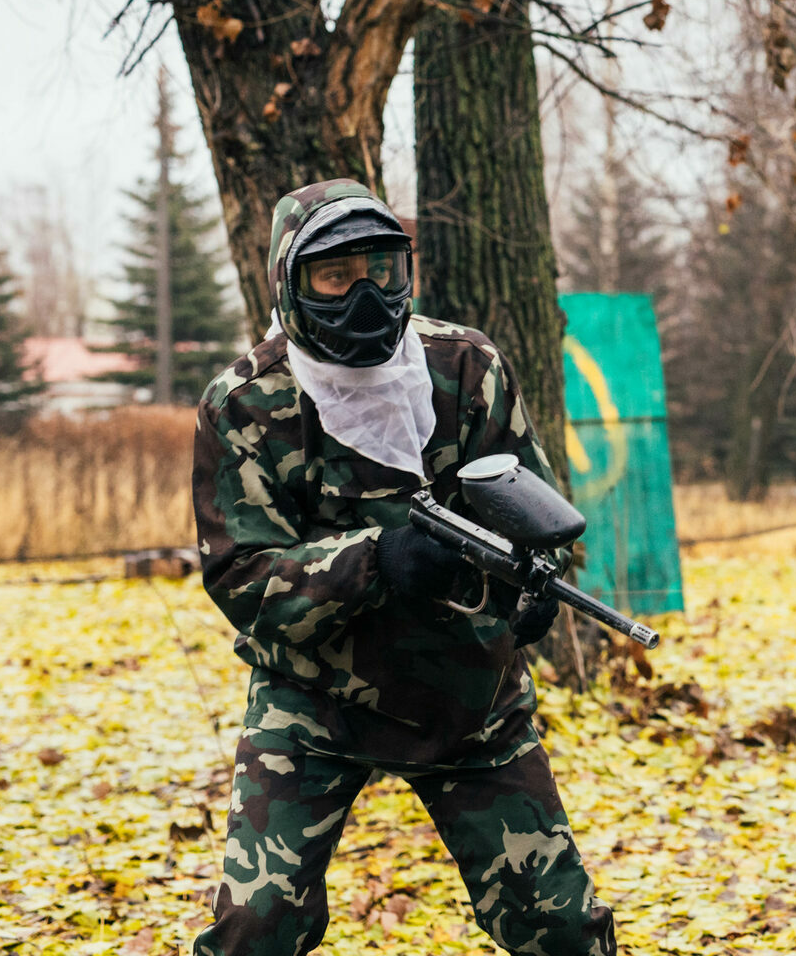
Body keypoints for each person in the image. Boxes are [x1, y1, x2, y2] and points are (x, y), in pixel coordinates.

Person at [189, 179, 616, 956]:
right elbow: (243, 579)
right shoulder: (247, 403)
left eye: (382, 269)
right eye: (336, 275)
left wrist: (537, 579)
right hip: (314, 704)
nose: (365, 295)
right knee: (255, 929)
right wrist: (376, 561)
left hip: (469, 693)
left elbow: (531, 499)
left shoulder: (465, 365)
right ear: (292, 280)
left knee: (560, 926)